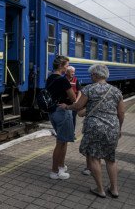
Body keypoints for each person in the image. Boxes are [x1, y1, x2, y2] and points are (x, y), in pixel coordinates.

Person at [59, 64, 124, 198]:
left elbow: (78, 106)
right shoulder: (116, 91)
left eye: (91, 75)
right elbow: (121, 113)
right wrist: (119, 128)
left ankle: (100, 189)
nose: (91, 77)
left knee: (94, 158)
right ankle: (114, 189)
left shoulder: (89, 89)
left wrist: (66, 107)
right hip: (112, 127)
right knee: (110, 159)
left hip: (94, 127)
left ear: (95, 75)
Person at [47, 55, 76, 180]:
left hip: (53, 112)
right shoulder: (63, 80)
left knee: (62, 141)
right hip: (63, 112)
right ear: (60, 66)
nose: (67, 68)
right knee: (61, 143)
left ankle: (61, 166)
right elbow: (73, 98)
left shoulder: (50, 78)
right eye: (66, 65)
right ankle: (55, 171)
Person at [65, 66, 90, 176]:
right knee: (67, 118)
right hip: (66, 103)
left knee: (73, 118)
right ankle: (68, 132)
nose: (73, 74)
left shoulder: (76, 80)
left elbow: (79, 91)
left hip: (73, 103)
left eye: (74, 72)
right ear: (67, 72)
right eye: (71, 72)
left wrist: (77, 100)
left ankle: (72, 133)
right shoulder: (63, 79)